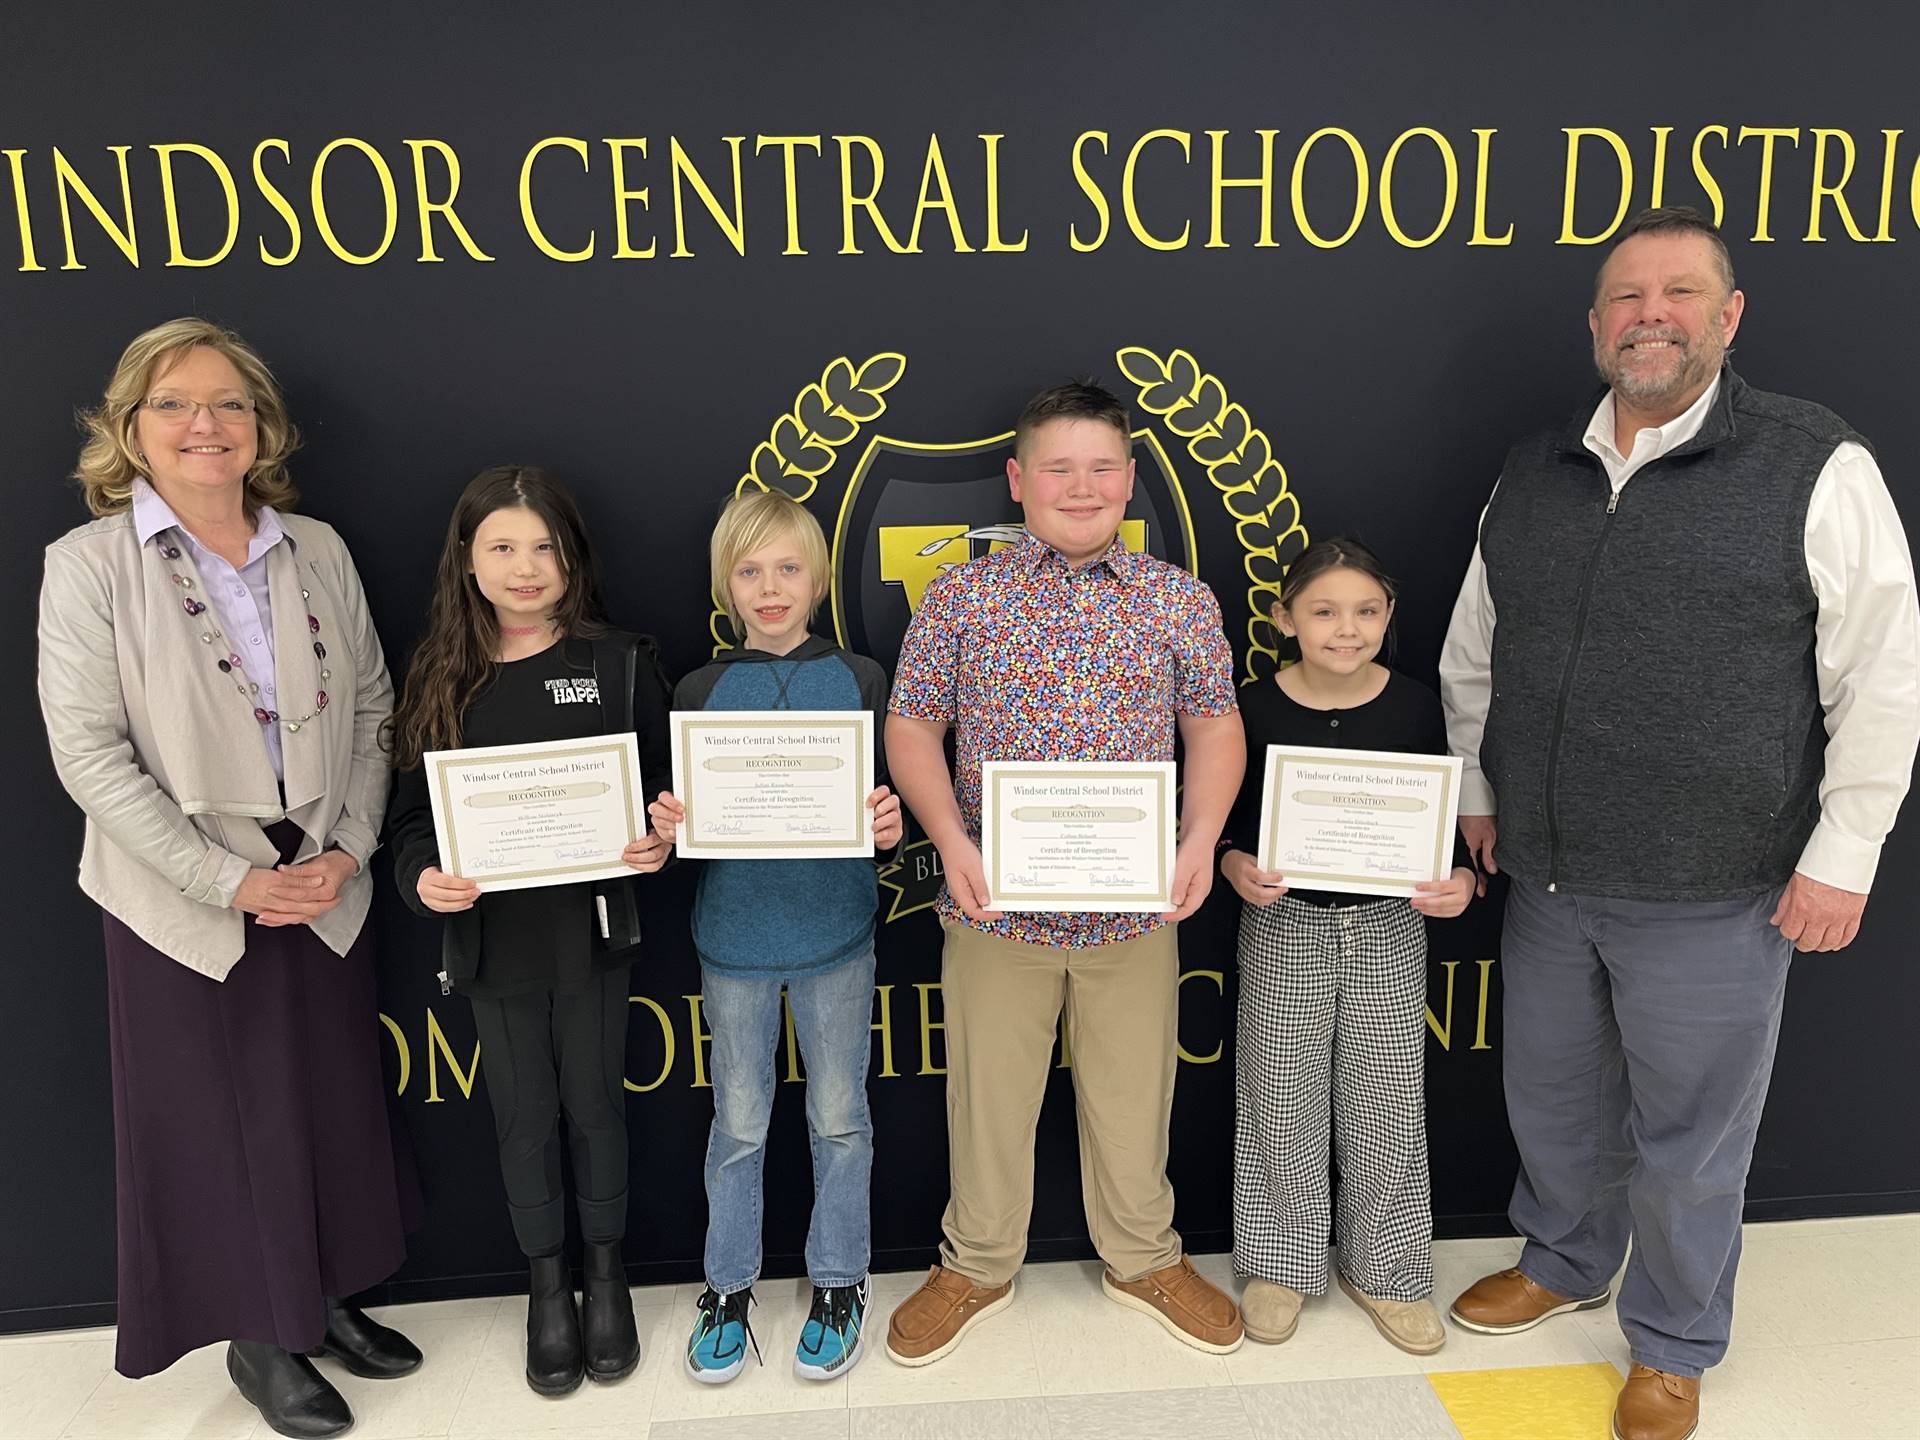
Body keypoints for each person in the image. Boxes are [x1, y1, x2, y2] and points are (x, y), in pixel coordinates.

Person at [1438, 206, 1920, 1440]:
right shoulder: (1532, 471)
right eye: (1625, 297)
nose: (1650, 314)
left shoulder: (1815, 463)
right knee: (1553, 1104)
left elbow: (1884, 672)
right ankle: (1561, 1259)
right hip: (1546, 876)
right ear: (1595, 324)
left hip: (1716, 885)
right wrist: (1480, 795)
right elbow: (1473, 654)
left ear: (1728, 316)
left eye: (1679, 293)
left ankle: (1673, 1339)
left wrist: (1844, 851)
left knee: (1693, 1139)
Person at [37, 318, 420, 1439]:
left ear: (262, 428)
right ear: (130, 431)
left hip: (323, 874)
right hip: (184, 898)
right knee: (212, 1121)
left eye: (228, 405)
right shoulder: (89, 566)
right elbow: (88, 753)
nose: (204, 425)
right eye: (173, 405)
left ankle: (327, 1293)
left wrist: (348, 845)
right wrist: (226, 881)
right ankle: (260, 1334)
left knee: (331, 1102)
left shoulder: (318, 549)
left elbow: (372, 710)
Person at [883, 380, 1247, 1365]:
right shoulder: (963, 594)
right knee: (988, 1097)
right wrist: (952, 844)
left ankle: (1144, 1258)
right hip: (997, 906)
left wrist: (1198, 841)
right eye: (1058, 467)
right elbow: (913, 724)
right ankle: (976, 1262)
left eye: (1100, 467)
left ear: (1129, 479)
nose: (1080, 487)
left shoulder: (1178, 599)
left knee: (1135, 1097)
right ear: (1018, 479)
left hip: (1132, 912)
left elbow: (1214, 723)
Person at [385, 465, 671, 1396]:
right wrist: (421, 878)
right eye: (502, 547)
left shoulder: (620, 661)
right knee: (521, 1121)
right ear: (466, 562)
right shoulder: (438, 674)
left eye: (544, 545)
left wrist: (660, 841)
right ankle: (545, 1286)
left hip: (590, 934)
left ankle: (605, 1274)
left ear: (571, 556)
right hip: (490, 945)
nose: (526, 566)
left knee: (594, 1106)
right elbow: (408, 822)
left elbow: (672, 799)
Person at [646, 488, 903, 1385]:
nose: (769, 587)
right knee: (740, 1126)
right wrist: (674, 823)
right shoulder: (697, 689)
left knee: (841, 1122)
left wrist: (885, 822)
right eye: (749, 571)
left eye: (787, 568)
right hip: (735, 942)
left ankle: (840, 1280)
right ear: (726, 584)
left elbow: (883, 801)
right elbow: (683, 831)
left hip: (837, 933)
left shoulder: (864, 677)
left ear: (820, 576)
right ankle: (727, 1286)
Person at [1219, 537, 1474, 1355]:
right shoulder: (1250, 708)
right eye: (1324, 611)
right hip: (1285, 923)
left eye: (1367, 612)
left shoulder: (1417, 704)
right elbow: (1223, 825)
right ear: (1284, 618)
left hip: (1389, 928)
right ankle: (1280, 1265)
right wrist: (1233, 865)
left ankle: (1388, 1268)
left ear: (1390, 617)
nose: (1346, 628)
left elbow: (1448, 818)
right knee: (1279, 1097)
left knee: (1388, 1100)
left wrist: (1460, 880)